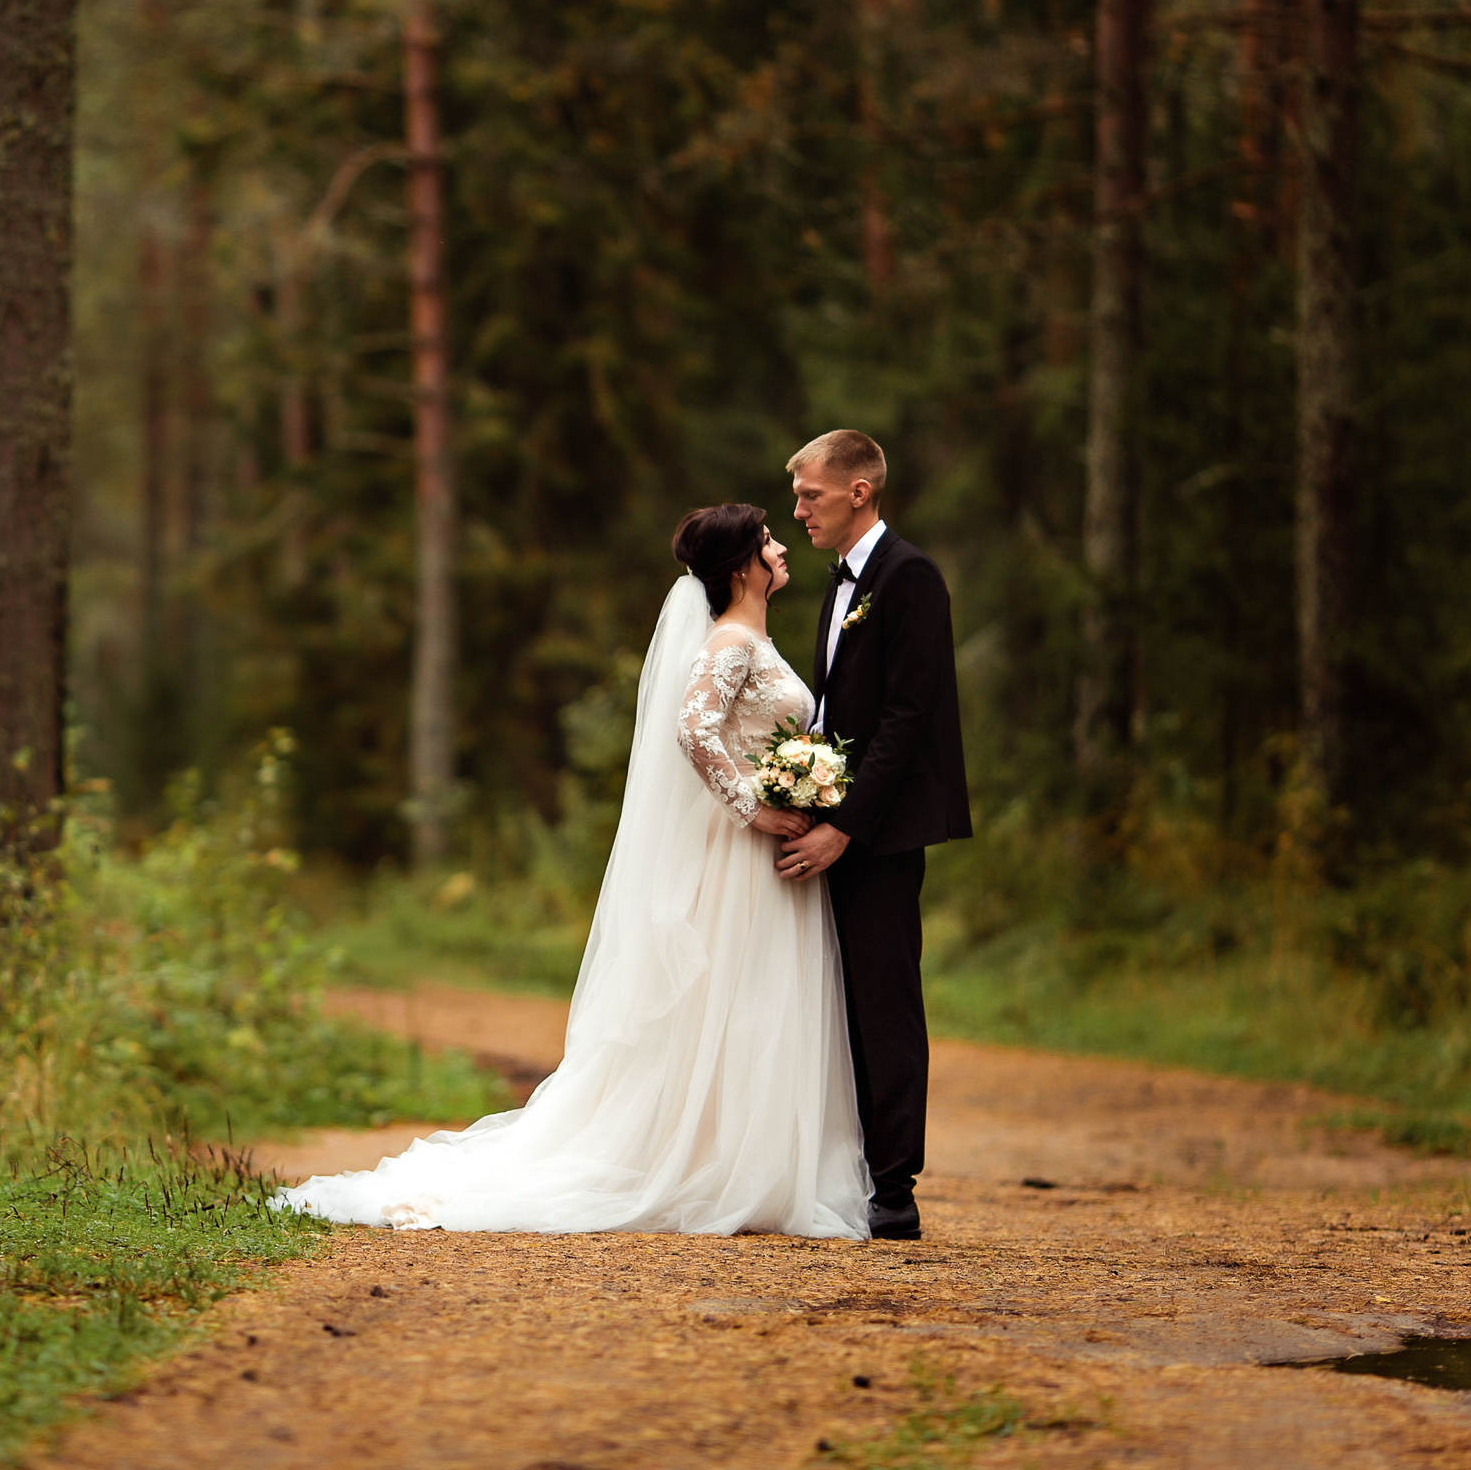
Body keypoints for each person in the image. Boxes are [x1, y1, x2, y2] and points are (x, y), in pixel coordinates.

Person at [276, 504, 870, 1238]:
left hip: (761, 854)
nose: (783, 547)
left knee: (750, 1002)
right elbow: (693, 728)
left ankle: (739, 1158)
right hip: (738, 861)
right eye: (769, 540)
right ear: (742, 564)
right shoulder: (730, 642)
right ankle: (707, 1165)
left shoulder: (754, 637)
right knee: (732, 998)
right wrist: (755, 805)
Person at [774, 430, 971, 1242]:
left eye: (811, 495)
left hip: (883, 836)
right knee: (837, 999)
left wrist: (843, 827)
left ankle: (895, 1186)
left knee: (885, 1000)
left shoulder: (910, 577)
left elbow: (907, 719)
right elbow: (836, 710)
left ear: (859, 491)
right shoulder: (840, 584)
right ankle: (846, 1171)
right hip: (840, 821)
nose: (798, 511)